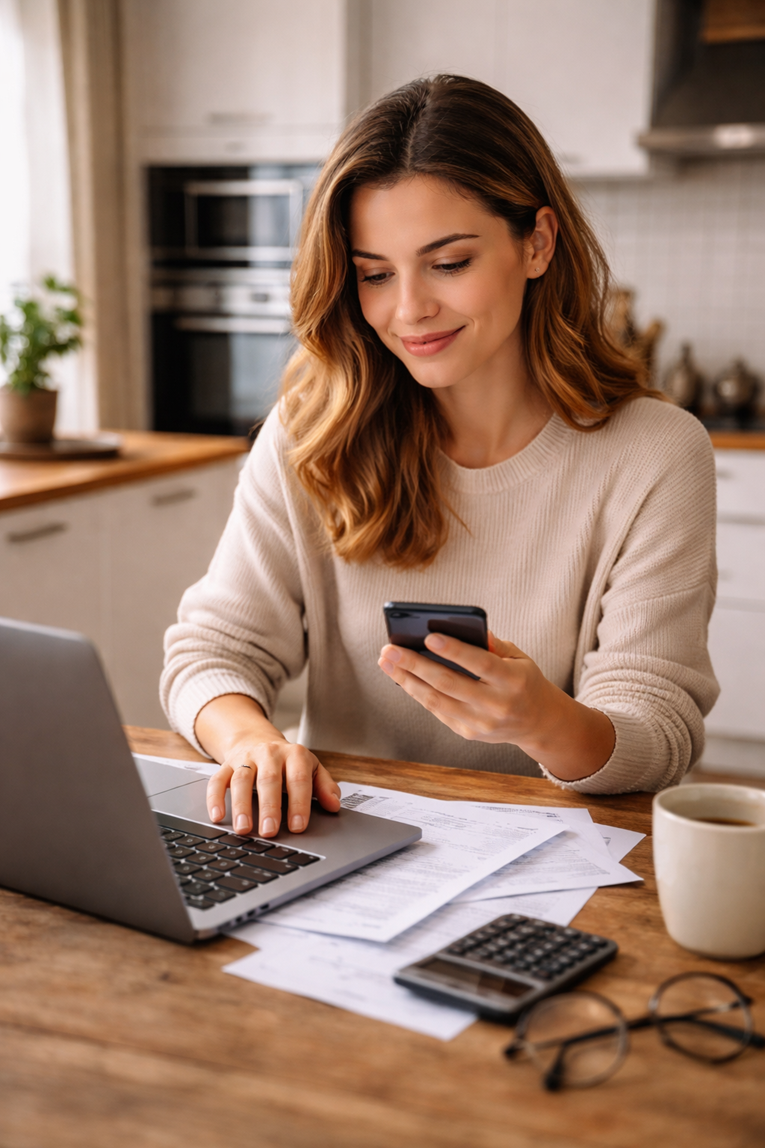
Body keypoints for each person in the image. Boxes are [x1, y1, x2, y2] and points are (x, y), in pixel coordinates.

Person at [161, 75, 718, 840]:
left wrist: (542, 720)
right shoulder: (310, 435)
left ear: (537, 243)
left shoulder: (653, 453)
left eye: (448, 263)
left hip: (548, 858)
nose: (408, 309)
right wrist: (252, 742)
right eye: (374, 274)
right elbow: (211, 653)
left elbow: (659, 729)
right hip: (339, 850)